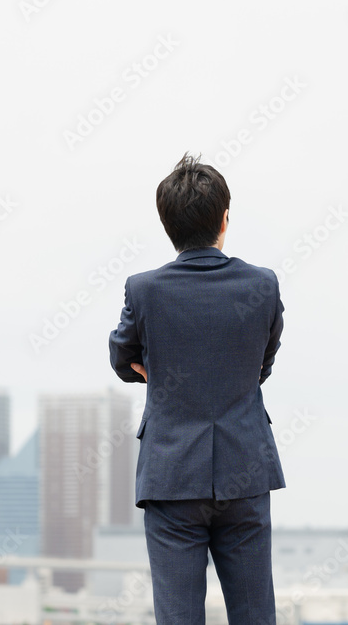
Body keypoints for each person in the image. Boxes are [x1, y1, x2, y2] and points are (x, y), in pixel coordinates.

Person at [108, 152, 286, 623]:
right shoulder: (263, 285)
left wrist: (157, 369)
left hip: (172, 476)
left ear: (167, 225)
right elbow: (263, 362)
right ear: (225, 219)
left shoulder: (144, 290)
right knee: (255, 615)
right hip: (245, 469)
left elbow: (121, 358)